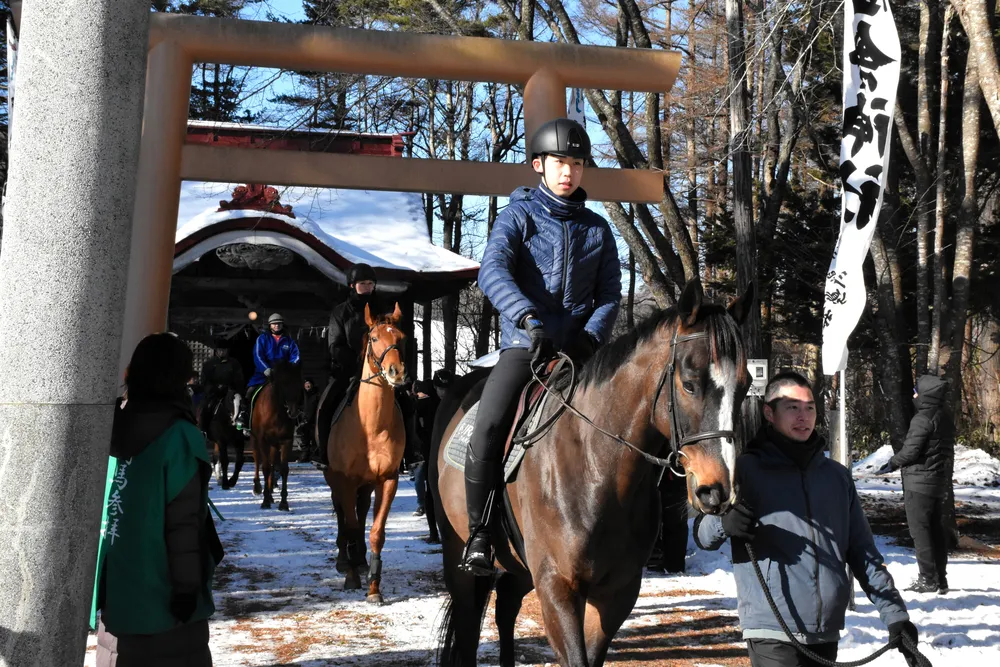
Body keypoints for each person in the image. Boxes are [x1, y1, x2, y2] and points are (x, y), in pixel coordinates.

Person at [461, 118, 622, 575]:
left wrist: (593, 335)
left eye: (575, 163)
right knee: (490, 424)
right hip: (524, 344)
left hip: (582, 351)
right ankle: (479, 532)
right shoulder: (517, 216)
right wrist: (528, 319)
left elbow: (611, 292)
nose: (568, 171)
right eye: (559, 162)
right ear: (539, 165)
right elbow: (492, 272)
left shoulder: (598, 230)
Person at [694, 372, 919, 667]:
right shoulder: (744, 470)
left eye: (809, 407)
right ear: (769, 413)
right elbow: (701, 534)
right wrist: (724, 523)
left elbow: (863, 552)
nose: (803, 416)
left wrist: (896, 616)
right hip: (771, 630)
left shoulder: (836, 477)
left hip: (826, 633)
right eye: (792, 407)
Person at [94, 333, 223, 667]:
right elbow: (183, 525)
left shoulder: (109, 425)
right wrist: (185, 590)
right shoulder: (180, 436)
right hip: (163, 602)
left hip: (116, 590)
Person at [876, 375, 954, 594]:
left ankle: (927, 579)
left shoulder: (922, 419)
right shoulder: (944, 417)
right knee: (936, 531)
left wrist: (891, 463)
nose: (914, 395)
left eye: (916, 391)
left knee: (920, 532)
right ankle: (941, 579)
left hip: (919, 483)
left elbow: (911, 451)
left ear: (926, 394)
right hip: (938, 481)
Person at [315, 262, 379, 465]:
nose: (368, 287)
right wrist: (358, 363)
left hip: (380, 371)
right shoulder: (340, 312)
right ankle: (322, 452)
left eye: (371, 283)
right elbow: (335, 345)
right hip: (348, 370)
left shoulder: (382, 309)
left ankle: (412, 451)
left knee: (405, 401)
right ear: (352, 285)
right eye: (363, 283)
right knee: (326, 406)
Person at [235, 313, 301, 432]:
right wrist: (265, 368)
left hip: (283, 374)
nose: (277, 325)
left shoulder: (289, 341)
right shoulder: (262, 338)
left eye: (279, 323)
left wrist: (289, 368)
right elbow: (258, 355)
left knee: (295, 390)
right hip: (264, 373)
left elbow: (295, 356)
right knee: (250, 392)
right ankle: (245, 417)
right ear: (270, 325)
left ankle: (300, 418)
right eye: (274, 323)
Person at [198, 338, 245, 433]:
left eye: (224, 350)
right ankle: (203, 430)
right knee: (204, 408)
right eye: (219, 350)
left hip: (230, 391)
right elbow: (204, 380)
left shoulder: (234, 363)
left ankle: (242, 427)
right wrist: (213, 388)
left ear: (227, 350)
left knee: (240, 404)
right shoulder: (209, 364)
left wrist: (232, 388)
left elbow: (239, 379)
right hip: (214, 392)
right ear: (216, 350)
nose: (221, 352)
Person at [296, 378, 320, 463]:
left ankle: (314, 456)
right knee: (304, 440)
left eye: (309, 383)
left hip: (314, 422)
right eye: (306, 383)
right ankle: (304, 456)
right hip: (304, 421)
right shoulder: (302, 395)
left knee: (314, 440)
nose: (307, 385)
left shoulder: (317, 395)